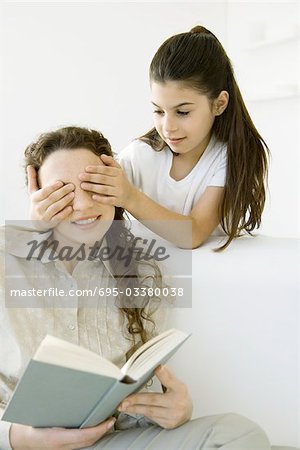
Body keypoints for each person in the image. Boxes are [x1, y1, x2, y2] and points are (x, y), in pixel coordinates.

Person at [0, 127, 271, 449]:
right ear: (38, 194)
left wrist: (173, 410)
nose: (84, 204)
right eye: (63, 192)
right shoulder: (7, 261)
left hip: (109, 441)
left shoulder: (140, 273)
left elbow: (138, 391)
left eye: (94, 187)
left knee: (236, 432)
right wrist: (18, 437)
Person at [73, 25, 269, 250]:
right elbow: (88, 207)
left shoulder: (229, 156)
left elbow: (193, 234)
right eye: (158, 111)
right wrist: (41, 216)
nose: (167, 128)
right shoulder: (140, 155)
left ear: (219, 104)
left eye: (183, 112)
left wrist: (129, 197)